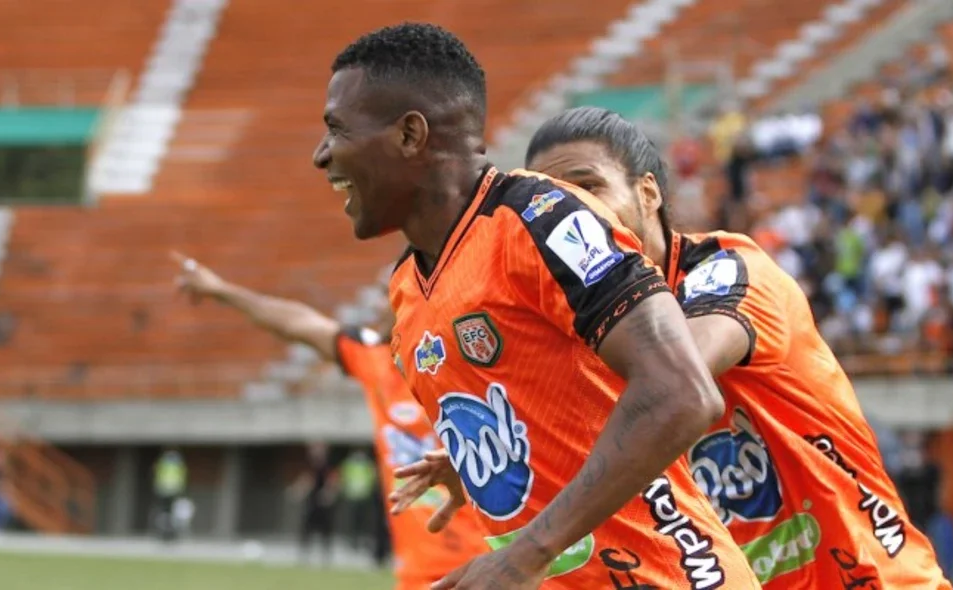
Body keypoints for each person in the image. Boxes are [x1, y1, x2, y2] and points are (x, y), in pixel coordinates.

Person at [314, 23, 759, 589]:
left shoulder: (541, 218)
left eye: (336, 129)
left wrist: (526, 553)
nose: (321, 155)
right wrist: (486, 469)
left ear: (409, 135)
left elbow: (681, 393)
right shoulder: (407, 285)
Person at [520, 106, 952, 588]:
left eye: (589, 187)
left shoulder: (729, 269)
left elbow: (674, 377)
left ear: (647, 193)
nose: (574, 215)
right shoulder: (585, 329)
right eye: (554, 203)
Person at [172, 255, 489, 587]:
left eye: (388, 294)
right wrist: (221, 290)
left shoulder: (463, 361)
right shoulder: (375, 360)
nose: (380, 306)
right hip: (417, 575)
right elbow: (298, 323)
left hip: (484, 566)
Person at [294, 442, 339, 565]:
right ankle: (304, 555)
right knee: (307, 528)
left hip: (324, 502)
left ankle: (326, 557)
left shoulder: (329, 465)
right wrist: (299, 491)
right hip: (312, 501)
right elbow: (306, 480)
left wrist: (329, 493)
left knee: (325, 530)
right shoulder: (310, 465)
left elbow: (333, 480)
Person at [152, 447, 187, 542]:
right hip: (171, 491)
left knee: (166, 513)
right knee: (168, 513)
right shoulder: (178, 464)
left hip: (165, 491)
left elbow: (158, 475)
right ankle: (166, 532)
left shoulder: (163, 463)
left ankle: (166, 532)